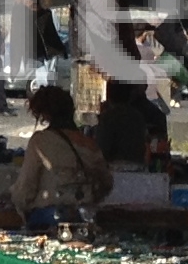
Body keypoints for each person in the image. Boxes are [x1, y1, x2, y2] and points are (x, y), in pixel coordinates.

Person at [6, 83, 110, 235]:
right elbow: (106, 183)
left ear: (45, 115)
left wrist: (16, 202)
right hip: (85, 216)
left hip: (50, 219)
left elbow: (25, 188)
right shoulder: (89, 143)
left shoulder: (41, 141)